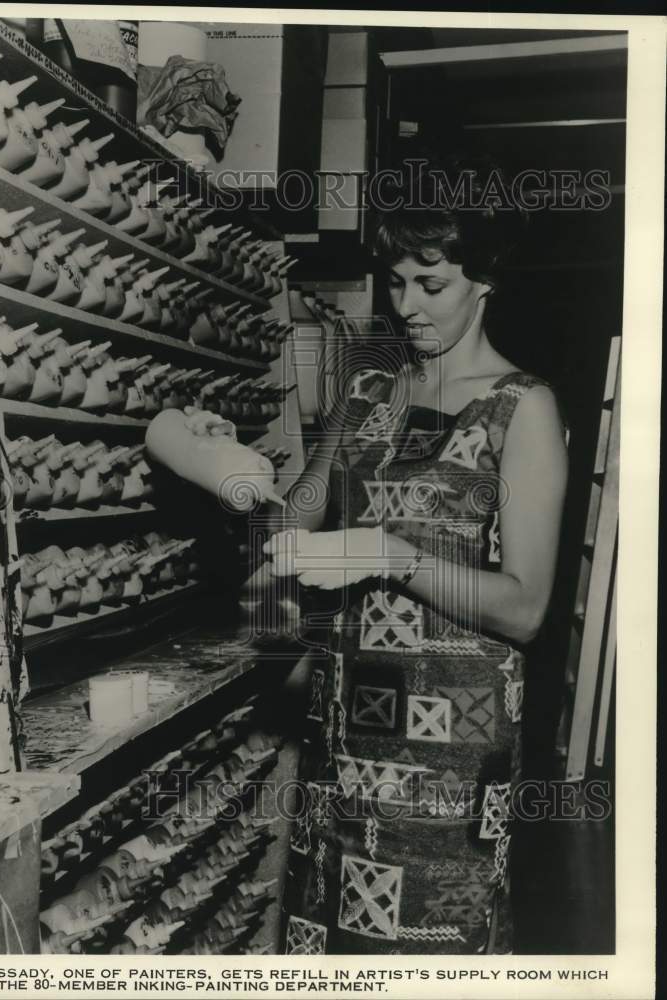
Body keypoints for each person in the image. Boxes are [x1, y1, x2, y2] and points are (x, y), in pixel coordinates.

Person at [182, 154, 568, 954]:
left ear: (483, 283)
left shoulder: (520, 408)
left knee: (430, 948)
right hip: (345, 724)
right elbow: (284, 544)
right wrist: (227, 472)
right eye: (395, 284)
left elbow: (526, 609)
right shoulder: (364, 399)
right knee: (331, 942)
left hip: (450, 750)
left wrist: (393, 555)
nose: (407, 307)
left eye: (432, 286)